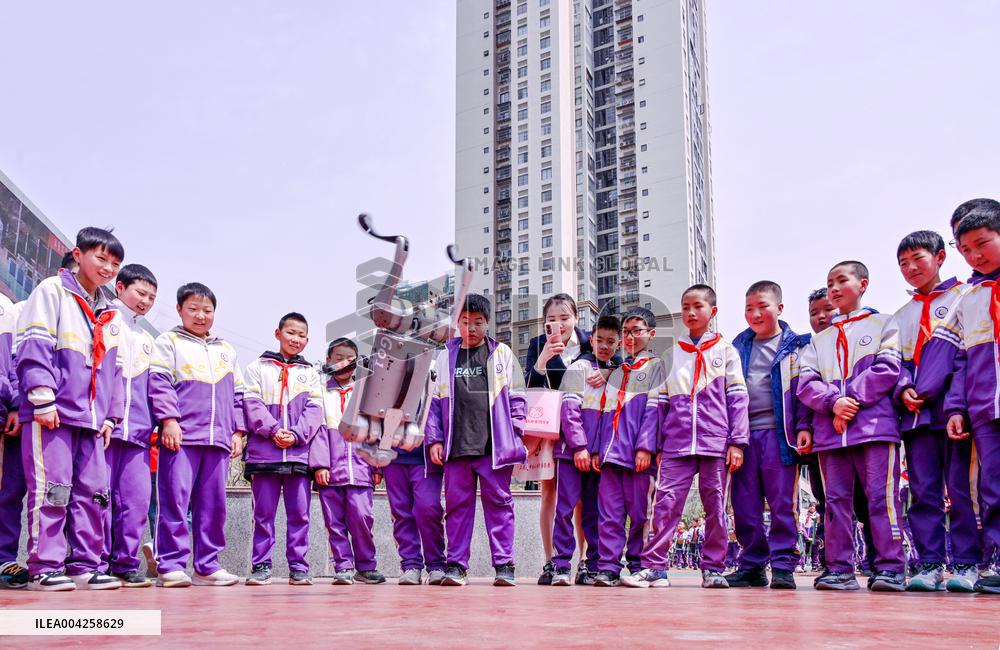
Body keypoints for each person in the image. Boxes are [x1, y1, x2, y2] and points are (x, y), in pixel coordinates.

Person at [16, 228, 126, 591]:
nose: (108, 268)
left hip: (92, 420)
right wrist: (42, 397)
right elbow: (35, 345)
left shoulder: (111, 312)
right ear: (78, 255)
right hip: (54, 413)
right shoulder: (52, 291)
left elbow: (115, 371)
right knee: (53, 489)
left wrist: (111, 416)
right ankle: (45, 566)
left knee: (94, 494)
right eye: (101, 258)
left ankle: (85, 564)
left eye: (114, 263)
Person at [622, 286, 748, 589]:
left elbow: (738, 399)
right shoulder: (670, 356)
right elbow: (656, 406)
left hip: (715, 443)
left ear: (712, 312)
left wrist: (737, 442)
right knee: (665, 505)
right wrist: (649, 445)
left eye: (698, 306)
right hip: (676, 445)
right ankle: (654, 568)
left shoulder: (726, 352)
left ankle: (713, 568)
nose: (691, 312)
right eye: (686, 307)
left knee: (715, 506)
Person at [797, 261, 906, 591]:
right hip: (831, 434)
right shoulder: (818, 342)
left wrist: (849, 400)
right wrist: (833, 403)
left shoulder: (884, 323)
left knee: (881, 499)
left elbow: (888, 368)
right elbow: (805, 384)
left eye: (841, 280)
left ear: (863, 285)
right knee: (835, 503)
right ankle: (840, 569)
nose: (833, 288)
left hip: (874, 429)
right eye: (829, 282)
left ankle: (890, 568)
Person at [892, 230, 981, 592]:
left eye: (918, 259)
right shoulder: (901, 315)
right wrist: (903, 389)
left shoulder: (965, 297)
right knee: (923, 491)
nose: (911, 268)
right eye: (903, 263)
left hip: (953, 413)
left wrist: (957, 402)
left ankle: (968, 562)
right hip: (916, 416)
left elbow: (965, 358)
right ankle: (929, 563)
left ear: (940, 257)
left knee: (960, 490)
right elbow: (894, 362)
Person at [426, 294, 527, 587]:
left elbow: (517, 398)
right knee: (457, 509)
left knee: (500, 505)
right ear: (457, 323)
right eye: (465, 322)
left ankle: (504, 565)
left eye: (478, 323)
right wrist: (434, 440)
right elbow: (434, 402)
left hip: (493, 448)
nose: (471, 328)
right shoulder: (444, 356)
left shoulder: (502, 353)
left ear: (488, 323)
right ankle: (457, 566)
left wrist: (516, 434)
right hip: (456, 447)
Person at [149, 282, 245, 588]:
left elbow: (239, 395)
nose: (200, 316)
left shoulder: (226, 350)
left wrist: (238, 431)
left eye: (207, 310)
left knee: (213, 507)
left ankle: (207, 566)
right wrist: (169, 420)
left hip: (218, 440)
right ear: (179, 310)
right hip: (182, 437)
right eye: (193, 309)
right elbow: (159, 383)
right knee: (174, 502)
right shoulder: (169, 341)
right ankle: (171, 565)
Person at [932, 204, 1000, 593]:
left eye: (983, 244)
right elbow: (958, 360)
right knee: (993, 486)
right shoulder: (968, 299)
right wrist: (956, 407)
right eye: (966, 249)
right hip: (986, 408)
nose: (975, 256)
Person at [726, 280, 810, 590]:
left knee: (782, 503)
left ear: (780, 308)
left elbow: (805, 391)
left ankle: (784, 566)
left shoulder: (798, 346)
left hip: (780, 436)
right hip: (745, 437)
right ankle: (752, 565)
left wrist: (804, 427)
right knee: (744, 504)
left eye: (763, 306)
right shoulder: (737, 346)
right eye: (749, 308)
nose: (756, 314)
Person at [524, 293, 614, 584]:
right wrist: (543, 359)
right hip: (549, 427)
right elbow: (528, 386)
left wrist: (607, 372)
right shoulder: (538, 344)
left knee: (583, 500)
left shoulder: (590, 342)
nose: (558, 324)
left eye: (564, 317)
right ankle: (551, 560)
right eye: (551, 319)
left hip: (582, 428)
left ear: (576, 317)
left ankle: (584, 562)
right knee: (550, 493)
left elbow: (619, 364)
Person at [243, 312, 323, 586]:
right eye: (291, 333)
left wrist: (297, 435)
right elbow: (251, 404)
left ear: (307, 340)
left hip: (298, 456)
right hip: (263, 455)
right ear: (278, 334)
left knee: (300, 515)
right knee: (263, 514)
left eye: (301, 335)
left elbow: (315, 411)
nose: (295, 339)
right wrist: (274, 431)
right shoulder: (257, 367)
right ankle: (261, 565)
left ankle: (299, 567)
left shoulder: (310, 373)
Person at [592, 306, 665, 587]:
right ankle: (608, 567)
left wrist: (646, 447)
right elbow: (604, 412)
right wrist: (597, 449)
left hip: (638, 456)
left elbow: (655, 410)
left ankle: (640, 565)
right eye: (626, 332)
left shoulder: (657, 367)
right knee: (609, 514)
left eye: (637, 331)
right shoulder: (617, 371)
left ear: (651, 333)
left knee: (641, 513)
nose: (630, 337)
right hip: (611, 454)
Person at [549, 315, 620, 586]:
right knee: (564, 510)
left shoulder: (617, 374)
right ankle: (561, 565)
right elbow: (569, 411)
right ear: (591, 340)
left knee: (595, 512)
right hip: (571, 454)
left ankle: (593, 566)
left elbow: (611, 419)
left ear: (618, 344)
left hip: (598, 459)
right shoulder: (578, 367)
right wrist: (579, 447)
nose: (604, 346)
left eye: (611, 341)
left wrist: (599, 452)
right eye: (600, 340)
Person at [310, 338, 385, 585]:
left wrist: (376, 465)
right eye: (338, 358)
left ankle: (366, 566)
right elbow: (318, 431)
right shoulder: (320, 392)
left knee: (362, 517)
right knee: (334, 522)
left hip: (361, 470)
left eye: (350, 359)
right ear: (328, 360)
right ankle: (343, 566)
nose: (344, 363)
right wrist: (320, 465)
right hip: (330, 472)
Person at [102, 263, 158, 587]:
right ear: (120, 287)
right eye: (141, 293)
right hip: (103, 430)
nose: (146, 301)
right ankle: (95, 562)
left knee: (135, 501)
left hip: (138, 434)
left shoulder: (148, 339)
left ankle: (124, 563)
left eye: (152, 297)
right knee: (98, 498)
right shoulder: (103, 319)